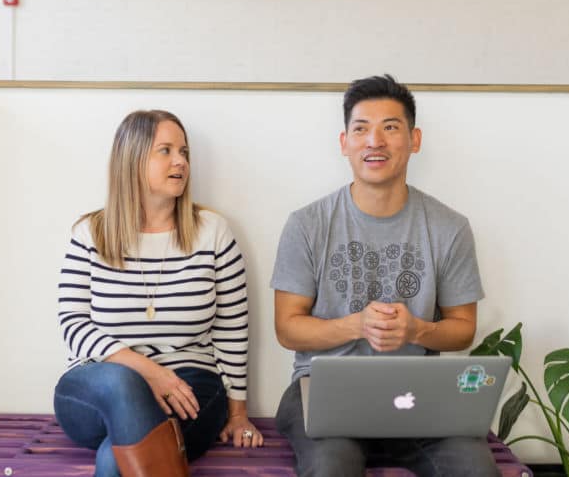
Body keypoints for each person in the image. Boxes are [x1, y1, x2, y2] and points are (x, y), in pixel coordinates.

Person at [270, 75, 497, 477]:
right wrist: (356, 325)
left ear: (415, 139)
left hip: (418, 396)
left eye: (390, 127)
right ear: (345, 143)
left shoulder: (450, 227)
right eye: (361, 129)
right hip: (323, 392)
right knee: (330, 467)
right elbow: (288, 329)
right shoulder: (307, 224)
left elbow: (463, 329)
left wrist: (416, 331)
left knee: (474, 468)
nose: (374, 141)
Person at [54, 110, 263, 477]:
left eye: (184, 152)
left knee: (112, 457)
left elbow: (232, 330)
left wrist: (238, 414)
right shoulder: (91, 233)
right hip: (97, 387)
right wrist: (149, 372)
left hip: (189, 390)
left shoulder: (213, 233)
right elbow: (72, 322)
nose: (180, 161)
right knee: (122, 382)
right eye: (165, 151)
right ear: (132, 160)